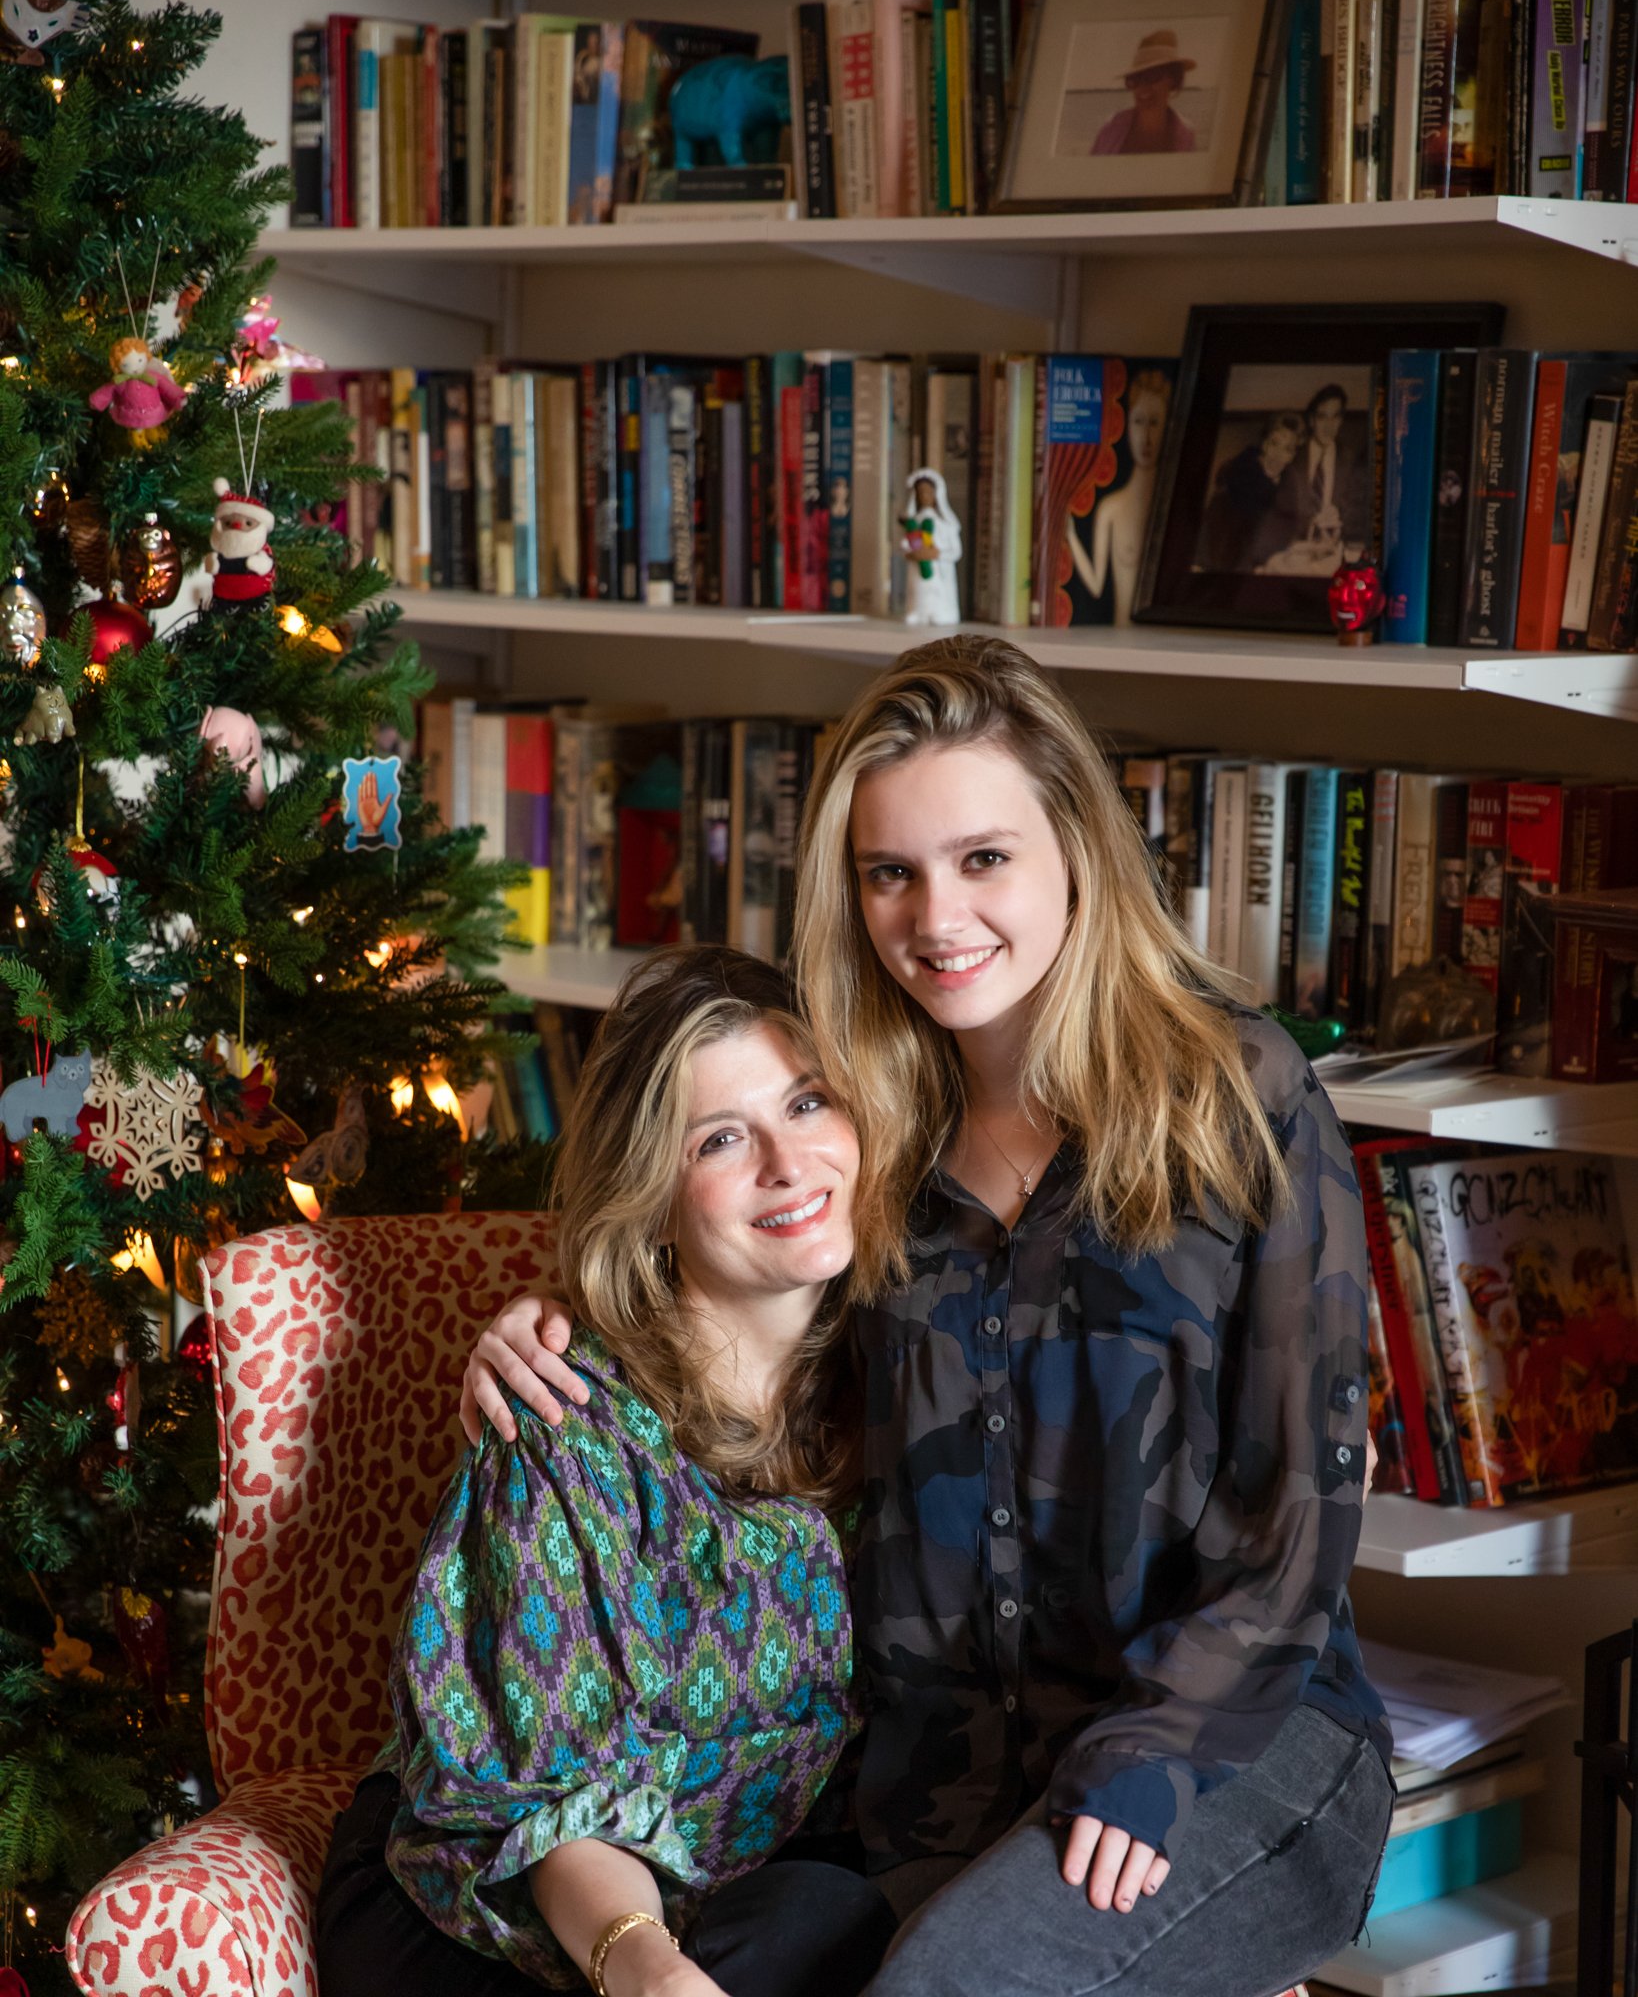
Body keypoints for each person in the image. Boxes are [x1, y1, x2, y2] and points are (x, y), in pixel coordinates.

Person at [465, 638, 1392, 1997]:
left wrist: (1157, 1747)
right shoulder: (867, 1125)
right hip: (948, 1786)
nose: (936, 917)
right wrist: (554, 1315)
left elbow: (1303, 1498)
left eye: (983, 858)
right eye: (889, 872)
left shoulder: (1236, 1096)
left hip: (1235, 1742)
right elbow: (723, 1273)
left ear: (1075, 849)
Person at [317, 947, 897, 1997]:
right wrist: (649, 1967)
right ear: (652, 1195)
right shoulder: (561, 1417)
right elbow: (545, 1806)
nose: (787, 1161)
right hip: (492, 1899)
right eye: (721, 1137)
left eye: (808, 1101)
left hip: (734, 1889)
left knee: (829, 1918)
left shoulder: (903, 1374)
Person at [1063, 366, 1171, 625]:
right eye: (1138, 422)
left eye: (1155, 423)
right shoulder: (1111, 508)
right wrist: (1071, 536)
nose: (1146, 438)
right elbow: (1095, 585)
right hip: (1120, 636)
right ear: (1127, 425)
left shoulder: (1176, 511)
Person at [1252, 382, 1366, 567]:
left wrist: (1340, 517)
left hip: (1331, 552)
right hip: (1290, 550)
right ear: (1312, 420)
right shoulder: (1291, 451)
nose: (1329, 426)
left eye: (1335, 417)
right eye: (1322, 417)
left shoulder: (1352, 460)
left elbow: (1359, 511)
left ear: (1341, 420)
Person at [1197, 410, 1304, 573]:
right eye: (1274, 443)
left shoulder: (1288, 481)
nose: (1277, 455)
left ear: (1292, 456)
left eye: (1287, 449)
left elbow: (1291, 524)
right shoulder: (1240, 474)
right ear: (1264, 444)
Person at [1090, 30, 1197, 156]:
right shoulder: (1111, 129)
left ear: (1173, 80)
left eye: (1152, 76)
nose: (1142, 87)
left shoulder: (1187, 136)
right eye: (1135, 79)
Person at [899, 468, 962, 628]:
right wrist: (912, 554)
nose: (925, 496)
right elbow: (905, 546)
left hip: (939, 573)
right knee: (919, 590)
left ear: (937, 495)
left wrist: (936, 553)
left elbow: (956, 551)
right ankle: (917, 612)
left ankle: (940, 612)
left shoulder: (947, 524)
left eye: (928, 492)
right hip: (918, 573)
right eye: (921, 493)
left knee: (936, 591)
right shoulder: (914, 522)